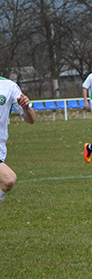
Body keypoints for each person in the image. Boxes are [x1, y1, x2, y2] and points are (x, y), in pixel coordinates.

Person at [0, 76, 36, 205]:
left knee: (6, 182)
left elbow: (30, 119)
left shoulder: (9, 86)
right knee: (8, 179)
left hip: (1, 148)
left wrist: (26, 107)